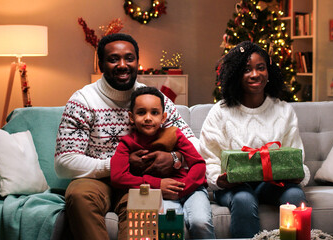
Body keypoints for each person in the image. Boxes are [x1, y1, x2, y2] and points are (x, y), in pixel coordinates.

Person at [54, 33, 201, 240]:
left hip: (141, 182)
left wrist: (175, 159)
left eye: (129, 58)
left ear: (137, 62)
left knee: (145, 206)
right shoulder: (83, 101)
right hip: (96, 180)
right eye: (114, 59)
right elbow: (64, 162)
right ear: (101, 64)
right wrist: (117, 164)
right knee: (79, 195)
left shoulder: (153, 99)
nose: (123, 65)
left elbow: (194, 144)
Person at [199, 41, 310, 238]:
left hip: (271, 184)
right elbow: (208, 159)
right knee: (243, 198)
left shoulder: (283, 110)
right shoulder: (220, 112)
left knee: (295, 195)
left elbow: (295, 154)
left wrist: (298, 173)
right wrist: (220, 179)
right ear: (235, 74)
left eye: (261, 68)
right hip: (233, 187)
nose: (255, 74)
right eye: (246, 69)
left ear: (269, 72)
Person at [110, 86, 215, 239]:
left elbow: (198, 164)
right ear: (131, 117)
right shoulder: (127, 143)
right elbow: (118, 177)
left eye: (154, 113)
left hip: (190, 188)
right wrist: (155, 184)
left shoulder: (174, 134)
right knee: (166, 225)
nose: (148, 118)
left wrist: (182, 187)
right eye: (141, 112)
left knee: (200, 222)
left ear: (163, 117)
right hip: (159, 194)